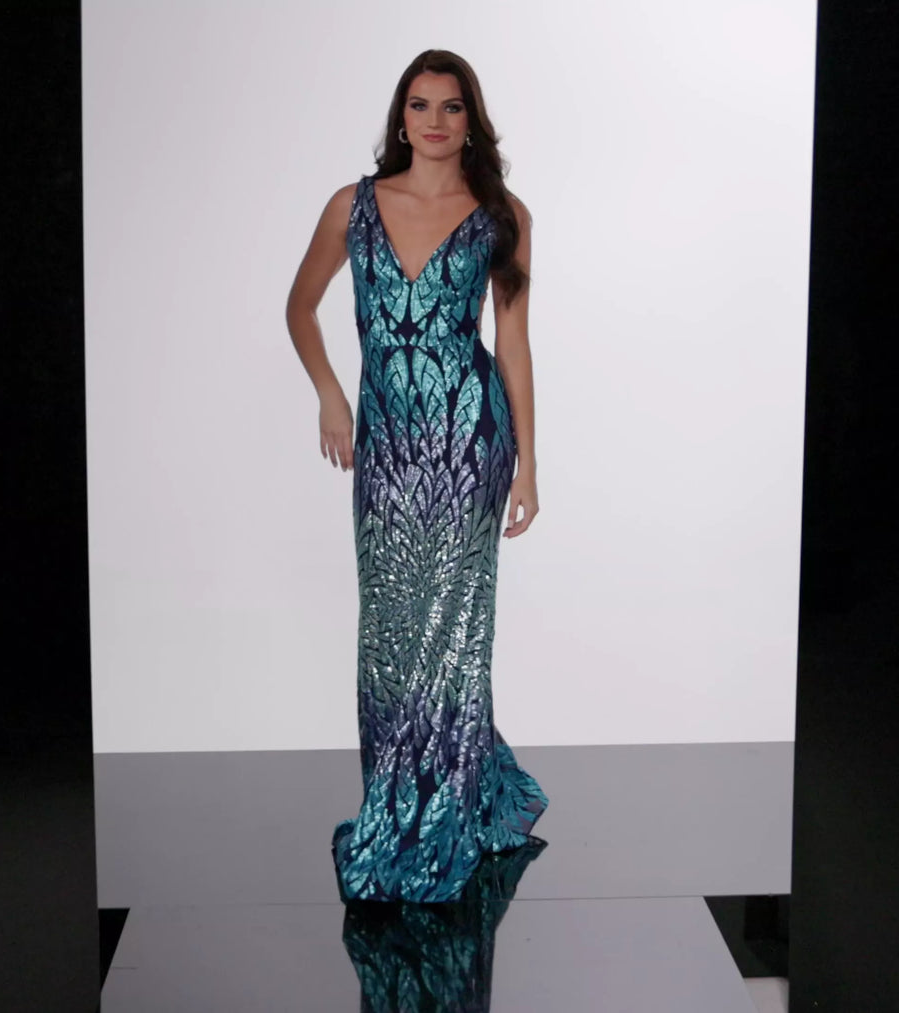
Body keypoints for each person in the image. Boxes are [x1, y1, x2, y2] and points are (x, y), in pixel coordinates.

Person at [285, 49, 548, 903]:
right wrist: (331, 394)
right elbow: (300, 306)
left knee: (456, 630)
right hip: (387, 445)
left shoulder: (502, 215)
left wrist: (529, 463)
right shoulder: (352, 206)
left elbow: (513, 344)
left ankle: (447, 812)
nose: (435, 121)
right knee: (392, 628)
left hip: (471, 442)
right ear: (401, 118)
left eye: (451, 106)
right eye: (420, 105)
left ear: (472, 121)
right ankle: (398, 799)